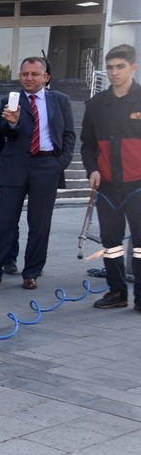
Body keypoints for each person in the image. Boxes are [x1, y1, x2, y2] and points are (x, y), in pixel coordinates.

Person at [0, 57, 75, 290]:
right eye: (25, 74)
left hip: (46, 166)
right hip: (14, 167)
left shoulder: (60, 101)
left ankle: (31, 272)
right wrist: (12, 125)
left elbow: (69, 135)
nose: (29, 78)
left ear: (46, 77)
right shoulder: (10, 101)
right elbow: (0, 134)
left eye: (34, 74)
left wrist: (60, 163)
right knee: (4, 220)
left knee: (40, 223)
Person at [81, 44, 141, 311]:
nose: (114, 72)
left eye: (120, 67)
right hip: (106, 186)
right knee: (111, 242)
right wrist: (91, 168)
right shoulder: (96, 106)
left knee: (140, 245)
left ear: (133, 68)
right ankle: (117, 292)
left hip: (138, 186)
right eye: (110, 67)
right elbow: (87, 144)